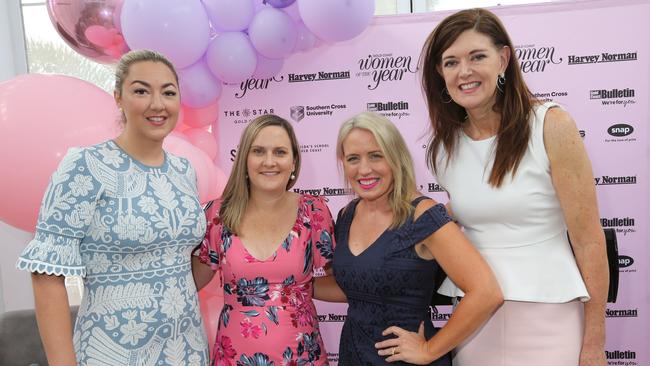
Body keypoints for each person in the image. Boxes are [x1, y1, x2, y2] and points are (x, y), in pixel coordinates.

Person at [420, 8, 608, 366]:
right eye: (451, 62)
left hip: (549, 319)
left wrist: (595, 341)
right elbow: (467, 218)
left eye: (477, 57)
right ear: (440, 73)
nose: (465, 72)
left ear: (503, 59)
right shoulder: (444, 148)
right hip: (475, 323)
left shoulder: (550, 124)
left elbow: (588, 239)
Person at [16, 49, 210, 365]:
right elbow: (46, 274)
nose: (157, 104)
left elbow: (178, 263)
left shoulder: (184, 171)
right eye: (141, 91)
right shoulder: (86, 165)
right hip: (112, 351)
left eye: (168, 92)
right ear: (118, 97)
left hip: (186, 349)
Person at [331, 111, 502, 365]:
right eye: (353, 158)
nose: (364, 169)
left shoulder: (424, 215)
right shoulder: (347, 215)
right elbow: (356, 284)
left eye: (376, 156)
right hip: (353, 354)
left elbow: (486, 292)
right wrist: (284, 285)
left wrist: (429, 350)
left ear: (396, 158)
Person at [193, 114, 336, 365]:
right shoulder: (218, 215)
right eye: (258, 151)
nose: (269, 162)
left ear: (293, 162)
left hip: (303, 358)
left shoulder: (314, 211)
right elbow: (188, 282)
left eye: (280, 152)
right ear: (245, 159)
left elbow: (343, 281)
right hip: (234, 358)